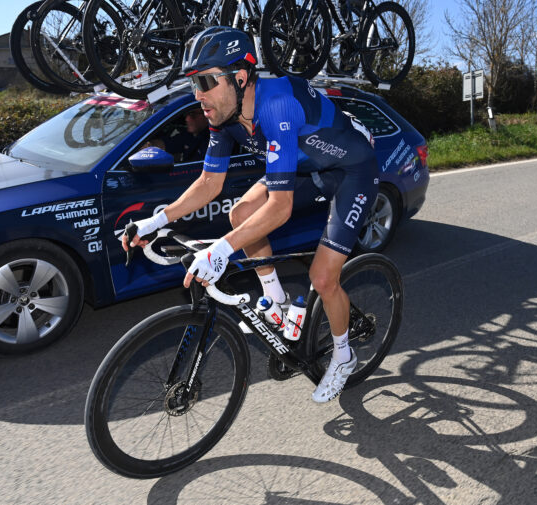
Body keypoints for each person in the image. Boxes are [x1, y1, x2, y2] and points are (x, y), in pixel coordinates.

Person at [123, 27, 379, 403]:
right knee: (241, 211)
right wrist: (155, 221)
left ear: (240, 78)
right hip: (311, 170)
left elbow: (281, 207)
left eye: (206, 82)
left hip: (352, 172)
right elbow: (210, 183)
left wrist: (219, 251)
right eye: (195, 84)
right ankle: (275, 299)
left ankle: (344, 356)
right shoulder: (223, 117)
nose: (199, 96)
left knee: (323, 278)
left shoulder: (276, 106)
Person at [142, 107, 210, 162]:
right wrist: (148, 146)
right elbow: (166, 144)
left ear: (207, 116)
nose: (187, 119)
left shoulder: (214, 140)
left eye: (193, 115)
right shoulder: (189, 136)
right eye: (186, 114)